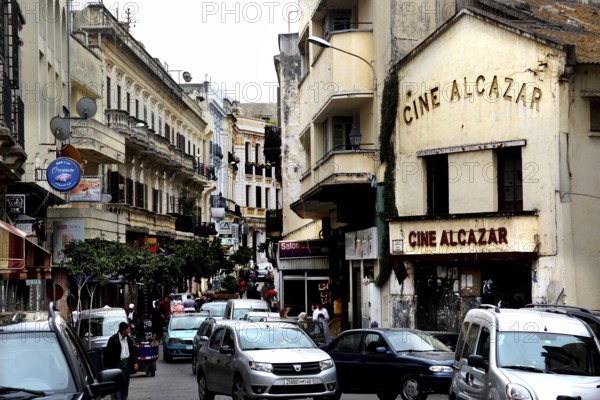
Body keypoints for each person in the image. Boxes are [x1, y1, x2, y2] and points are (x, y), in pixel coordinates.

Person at [104, 322, 139, 400]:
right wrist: (109, 367)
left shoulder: (130, 340)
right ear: (123, 330)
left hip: (126, 364)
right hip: (116, 365)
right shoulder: (113, 340)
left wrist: (135, 362)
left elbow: (133, 352)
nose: (129, 331)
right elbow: (108, 355)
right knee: (116, 386)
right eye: (128, 329)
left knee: (125, 385)